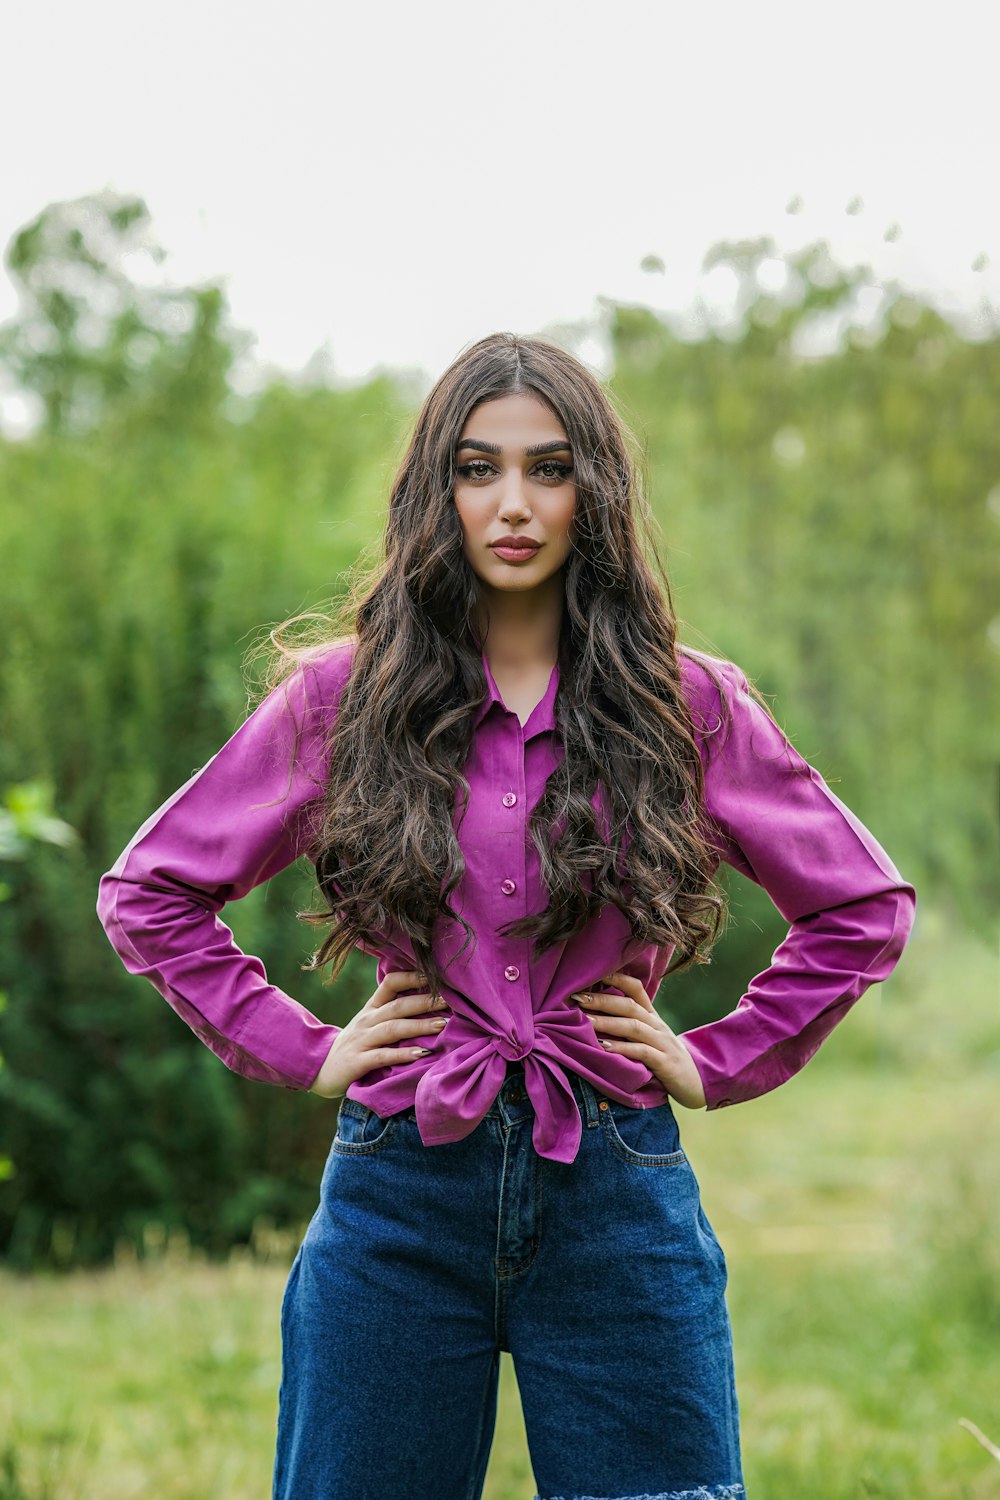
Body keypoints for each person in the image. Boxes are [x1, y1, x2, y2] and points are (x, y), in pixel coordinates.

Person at [96, 331, 916, 1500]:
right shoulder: (343, 700)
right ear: (436, 495)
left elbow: (861, 907)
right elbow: (150, 893)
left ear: (599, 491)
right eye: (478, 470)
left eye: (550, 467)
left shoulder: (687, 702)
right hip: (397, 1198)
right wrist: (309, 1049)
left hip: (618, 1190)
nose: (514, 504)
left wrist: (713, 1060)